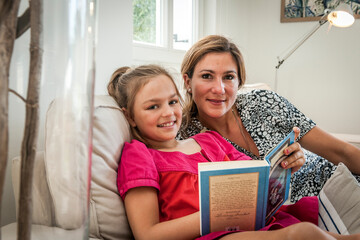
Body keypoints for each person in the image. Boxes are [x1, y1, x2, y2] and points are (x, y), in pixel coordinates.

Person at [108, 64, 359, 240]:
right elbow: (148, 234)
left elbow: (255, 176)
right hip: (209, 235)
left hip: (251, 225)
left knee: (311, 229)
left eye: (173, 102)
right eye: (153, 106)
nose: (168, 113)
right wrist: (219, 214)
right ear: (130, 116)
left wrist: (283, 165)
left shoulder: (209, 139)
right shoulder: (140, 155)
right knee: (304, 234)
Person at [177, 35, 360, 202]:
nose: (219, 89)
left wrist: (297, 158)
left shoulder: (264, 102)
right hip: (294, 220)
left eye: (228, 77)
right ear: (188, 82)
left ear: (239, 82)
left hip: (338, 184)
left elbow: (341, 152)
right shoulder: (182, 138)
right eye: (207, 76)